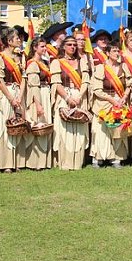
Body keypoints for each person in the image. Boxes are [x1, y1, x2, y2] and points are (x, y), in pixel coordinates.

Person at [50, 35, 90, 170]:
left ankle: (77, 162)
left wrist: (79, 96)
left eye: (74, 44)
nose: (72, 47)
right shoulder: (57, 62)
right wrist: (67, 98)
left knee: (79, 130)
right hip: (64, 97)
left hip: (79, 95)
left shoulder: (82, 62)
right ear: (63, 47)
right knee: (64, 130)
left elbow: (85, 81)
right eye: (69, 45)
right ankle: (64, 162)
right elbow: (56, 83)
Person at [91, 40, 132, 168]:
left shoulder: (123, 67)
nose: (117, 53)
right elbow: (97, 89)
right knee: (101, 130)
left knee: (118, 129)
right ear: (107, 53)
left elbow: (129, 84)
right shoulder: (100, 68)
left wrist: (124, 97)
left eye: (118, 50)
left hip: (120, 101)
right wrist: (111, 100)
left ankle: (117, 158)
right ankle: (98, 158)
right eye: (114, 51)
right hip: (104, 102)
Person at [0, 27, 25, 173]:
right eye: (17, 38)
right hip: (6, 94)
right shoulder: (0, 58)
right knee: (6, 125)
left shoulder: (20, 57)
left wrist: (20, 96)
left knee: (18, 125)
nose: (19, 40)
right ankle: (5, 162)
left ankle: (17, 160)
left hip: (18, 93)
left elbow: (24, 78)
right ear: (9, 41)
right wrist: (11, 98)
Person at [22, 38, 54, 169]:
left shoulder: (45, 62)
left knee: (45, 125)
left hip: (46, 92)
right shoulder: (32, 64)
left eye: (45, 46)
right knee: (37, 124)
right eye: (42, 46)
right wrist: (38, 104)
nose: (44, 49)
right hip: (38, 94)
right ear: (35, 48)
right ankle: (34, 161)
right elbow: (33, 85)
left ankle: (45, 160)